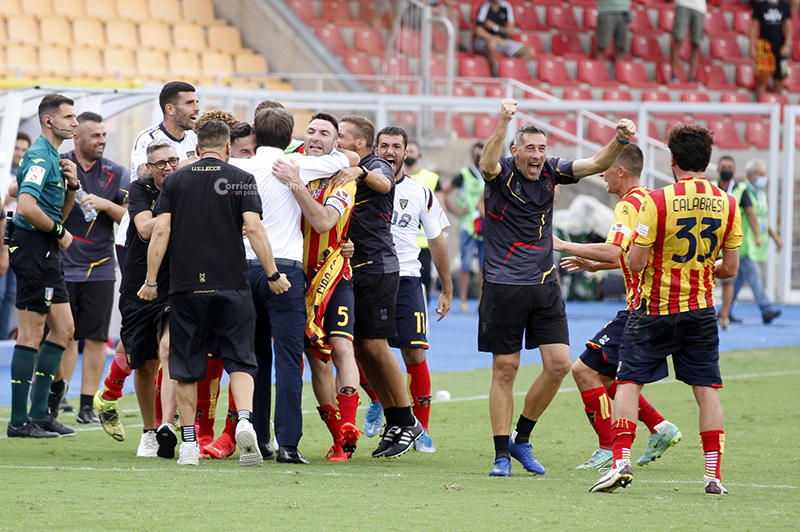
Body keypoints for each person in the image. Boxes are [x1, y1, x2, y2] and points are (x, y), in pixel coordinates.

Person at [479, 99, 636, 477]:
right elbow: (486, 164)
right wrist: (504, 120)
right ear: (515, 151)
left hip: (545, 285)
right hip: (503, 285)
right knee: (505, 369)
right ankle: (501, 456)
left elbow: (595, 164)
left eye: (542, 148)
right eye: (530, 148)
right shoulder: (500, 172)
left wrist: (619, 139)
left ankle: (521, 438)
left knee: (559, 364)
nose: (537, 155)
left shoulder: (552, 170)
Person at [590, 123, 742, 496]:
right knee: (706, 389)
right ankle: (713, 476)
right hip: (701, 310)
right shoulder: (728, 203)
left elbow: (637, 261)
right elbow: (730, 269)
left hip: (655, 308)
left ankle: (620, 463)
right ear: (707, 160)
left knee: (628, 382)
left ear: (672, 160)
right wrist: (699, 269)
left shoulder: (657, 201)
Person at [138, 118, 290, 467]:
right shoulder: (240, 179)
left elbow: (160, 232)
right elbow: (254, 228)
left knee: (186, 365)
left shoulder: (175, 181)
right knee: (241, 360)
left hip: (187, 287)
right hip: (232, 285)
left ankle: (189, 444)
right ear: (227, 149)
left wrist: (150, 281)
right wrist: (272, 274)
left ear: (196, 148)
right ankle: (245, 421)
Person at [229, 108, 353, 464]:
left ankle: (259, 438)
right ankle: (288, 444)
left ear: (255, 133)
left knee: (253, 359)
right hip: (285, 270)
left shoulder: (240, 168)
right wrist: (354, 167)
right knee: (288, 360)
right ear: (290, 137)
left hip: (245, 269)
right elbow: (345, 158)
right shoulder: (297, 165)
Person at [553, 144, 681, 471]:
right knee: (604, 374)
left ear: (621, 171)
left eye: (606, 168)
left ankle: (608, 447)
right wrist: (597, 266)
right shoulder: (651, 201)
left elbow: (613, 250)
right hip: (661, 304)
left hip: (641, 307)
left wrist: (564, 244)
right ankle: (660, 427)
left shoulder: (627, 205)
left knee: (583, 371)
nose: (601, 174)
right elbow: (634, 255)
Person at [270, 112, 361, 462]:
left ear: (335, 142)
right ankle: (339, 438)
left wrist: (355, 167)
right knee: (316, 359)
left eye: (324, 133)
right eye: (311, 131)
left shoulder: (343, 180)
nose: (315, 137)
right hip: (295, 275)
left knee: (341, 347)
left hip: (333, 274)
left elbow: (324, 222)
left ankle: (349, 425)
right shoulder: (292, 163)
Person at [334, 115, 423, 459]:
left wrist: (359, 171)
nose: (336, 141)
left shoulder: (375, 164)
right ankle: (395, 418)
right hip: (352, 269)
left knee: (376, 345)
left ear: (359, 143)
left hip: (377, 268)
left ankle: (408, 421)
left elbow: (384, 184)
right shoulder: (339, 165)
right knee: (360, 349)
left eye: (341, 136)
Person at [95, 139, 178, 456]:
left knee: (170, 351)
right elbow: (144, 229)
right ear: (148, 167)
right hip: (139, 283)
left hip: (176, 281)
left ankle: (171, 426)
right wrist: (180, 212)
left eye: (173, 161)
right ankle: (147, 429)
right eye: (161, 163)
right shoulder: (140, 189)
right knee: (144, 361)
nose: (168, 168)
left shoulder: (185, 184)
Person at [375, 126, 454, 453]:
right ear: (376, 150)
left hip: (407, 279)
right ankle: (383, 407)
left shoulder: (421, 191)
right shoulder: (360, 186)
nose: (390, 151)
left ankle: (422, 431)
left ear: (406, 152)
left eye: (396, 146)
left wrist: (446, 288)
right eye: (384, 145)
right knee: (365, 351)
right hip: (370, 278)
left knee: (414, 353)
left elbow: (437, 241)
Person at [7, 93, 80, 438]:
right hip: (33, 248)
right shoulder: (39, 155)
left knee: (64, 329)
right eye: (69, 117)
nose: (75, 123)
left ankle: (41, 414)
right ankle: (19, 421)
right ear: (49, 121)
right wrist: (59, 232)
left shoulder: (54, 157)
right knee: (31, 333)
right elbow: (25, 206)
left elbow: (55, 213)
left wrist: (72, 187)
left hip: (47, 248)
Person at [53, 112, 129, 425]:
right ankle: (57, 397)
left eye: (104, 135)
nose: (102, 141)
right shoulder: (59, 163)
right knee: (63, 334)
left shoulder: (116, 172)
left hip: (100, 265)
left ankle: (87, 406)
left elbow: (130, 219)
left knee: (97, 338)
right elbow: (16, 191)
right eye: (95, 135)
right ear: (77, 138)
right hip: (61, 263)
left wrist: (105, 204)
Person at [116, 81, 200, 265]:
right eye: (189, 103)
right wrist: (183, 167)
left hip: (175, 235)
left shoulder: (195, 139)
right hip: (138, 238)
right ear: (170, 109)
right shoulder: (148, 137)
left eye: (196, 102)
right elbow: (143, 173)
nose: (197, 108)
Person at [731, 159, 783, 324]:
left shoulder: (761, 194)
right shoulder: (743, 191)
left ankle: (725, 310)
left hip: (754, 244)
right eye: (760, 174)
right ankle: (766, 309)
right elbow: (750, 215)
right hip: (745, 243)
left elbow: (762, 219)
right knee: (755, 276)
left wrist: (774, 237)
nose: (764, 177)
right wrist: (756, 236)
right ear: (751, 175)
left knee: (738, 281)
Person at [442, 142, 484, 312]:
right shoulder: (464, 175)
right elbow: (442, 191)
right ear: (472, 156)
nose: (479, 158)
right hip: (468, 226)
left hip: (487, 226)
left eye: (481, 154)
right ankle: (463, 301)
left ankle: (482, 301)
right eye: (476, 154)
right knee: (465, 264)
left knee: (484, 266)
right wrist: (455, 211)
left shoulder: (491, 173)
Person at [712, 156, 751, 329]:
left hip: (729, 245)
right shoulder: (711, 188)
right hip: (711, 244)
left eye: (729, 167)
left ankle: (724, 317)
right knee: (705, 280)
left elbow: (750, 213)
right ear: (717, 169)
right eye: (723, 166)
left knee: (729, 280)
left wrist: (757, 235)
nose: (726, 169)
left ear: (734, 170)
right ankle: (705, 315)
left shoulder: (741, 190)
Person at [403, 140, 444, 301]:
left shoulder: (432, 178)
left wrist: (442, 233)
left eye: (413, 151)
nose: (410, 155)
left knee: (424, 277)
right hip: (402, 240)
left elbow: (440, 208)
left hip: (424, 242)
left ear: (419, 154)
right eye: (407, 151)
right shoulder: (394, 177)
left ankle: (423, 308)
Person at [0, 132, 30, 341]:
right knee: (1, 292)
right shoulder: (4, 175)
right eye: (16, 149)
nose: (19, 153)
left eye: (23, 150)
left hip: (21, 240)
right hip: (4, 238)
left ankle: (2, 340)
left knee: (10, 293)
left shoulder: (29, 174)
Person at [474, 0, 535, 77]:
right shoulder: (484, 7)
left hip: (504, 41)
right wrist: (496, 40)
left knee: (529, 51)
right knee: (491, 45)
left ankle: (510, 71)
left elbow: (510, 31)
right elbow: (479, 31)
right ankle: (494, 75)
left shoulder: (506, 7)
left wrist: (495, 27)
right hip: (487, 40)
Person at [750, 0, 793, 99]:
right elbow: (753, 26)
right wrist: (752, 47)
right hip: (764, 47)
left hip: (780, 47)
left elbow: (789, 27)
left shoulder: (784, 6)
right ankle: (761, 105)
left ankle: (776, 103)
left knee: (779, 79)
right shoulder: (760, 6)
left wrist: (787, 45)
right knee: (762, 78)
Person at [669, 0, 706, 83]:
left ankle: (692, 77)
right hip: (683, 3)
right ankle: (673, 74)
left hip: (699, 7)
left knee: (696, 43)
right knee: (678, 38)